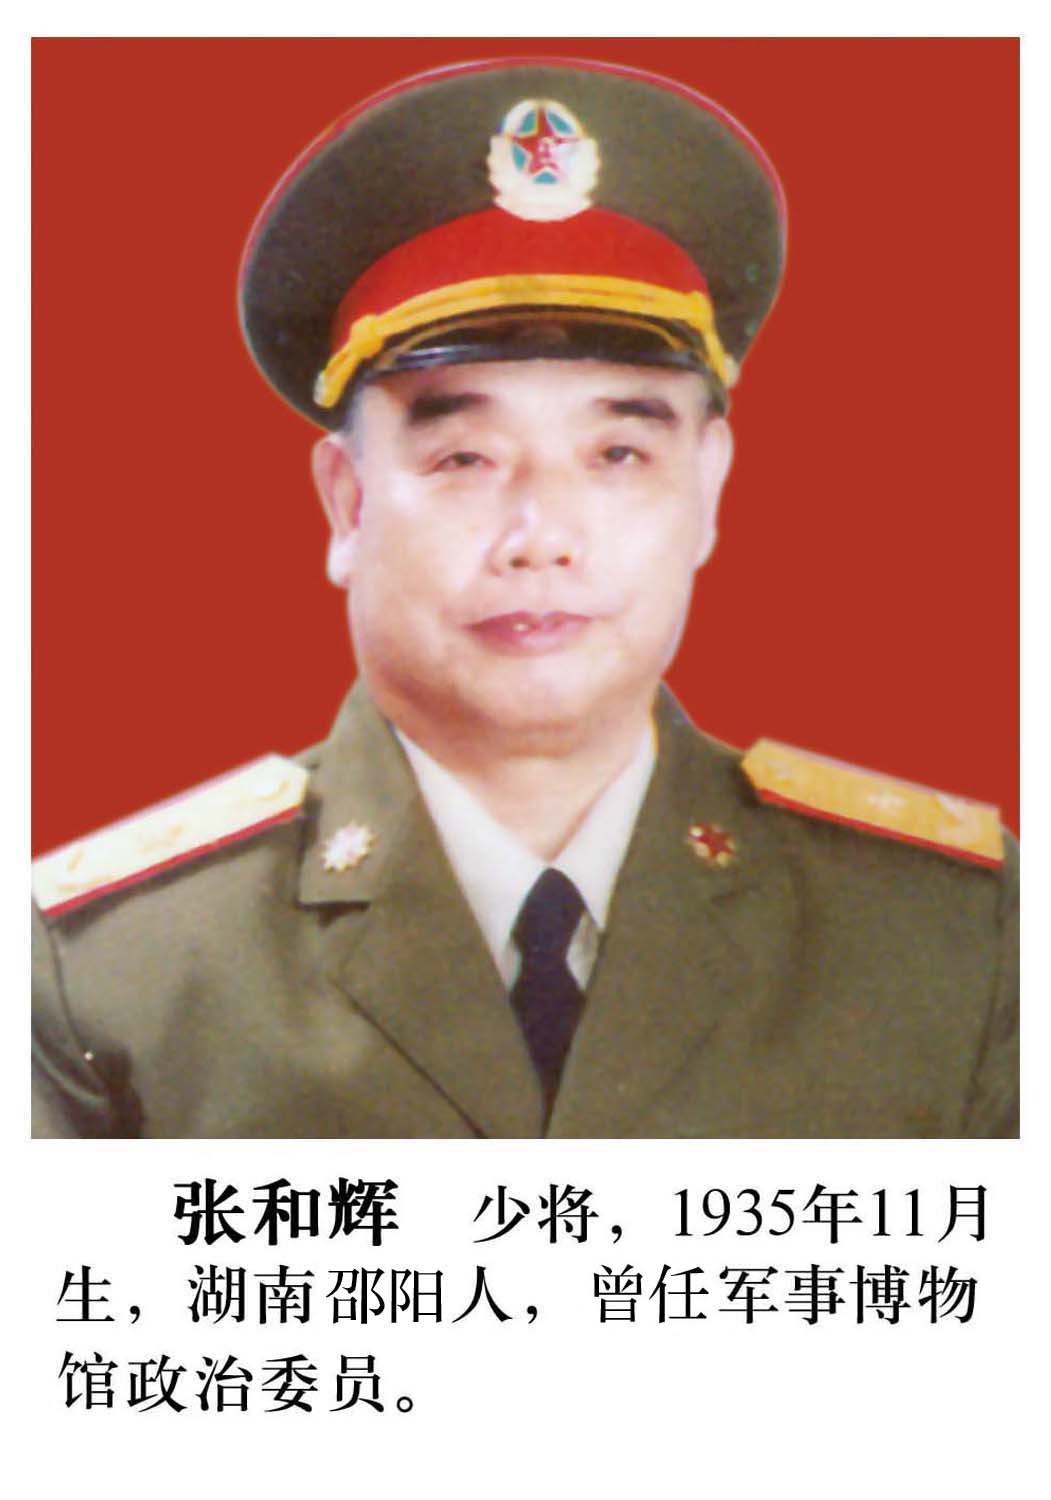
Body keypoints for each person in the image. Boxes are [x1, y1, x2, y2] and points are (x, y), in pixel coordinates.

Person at [31, 58, 1018, 1139]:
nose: (541, 535)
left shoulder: (954, 936)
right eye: (464, 458)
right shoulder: (112, 970)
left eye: (617, 455)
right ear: (347, 502)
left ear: (707, 489)